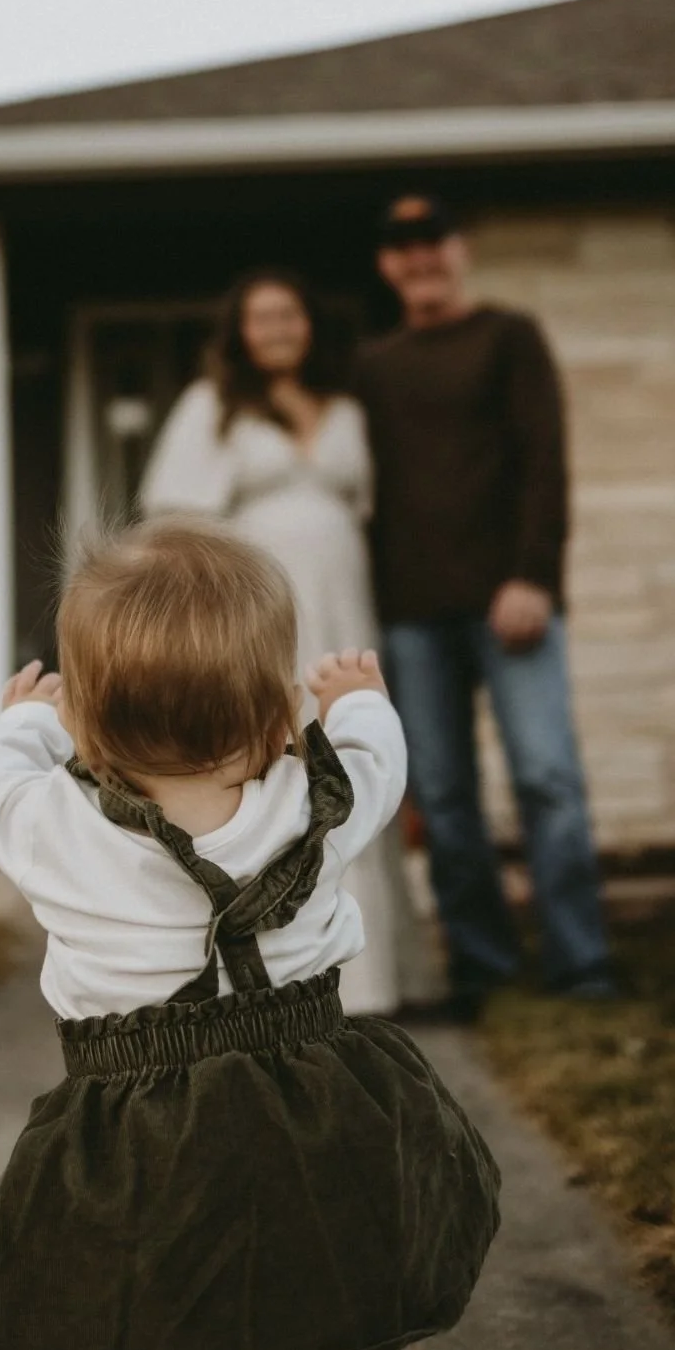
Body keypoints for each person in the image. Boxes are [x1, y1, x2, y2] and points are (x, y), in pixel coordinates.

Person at [0, 519, 501, 1350]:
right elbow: (380, 764)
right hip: (329, 1122)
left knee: (83, 1348)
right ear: (279, 718)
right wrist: (357, 701)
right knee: (370, 1315)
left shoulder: (53, 826)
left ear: (90, 728)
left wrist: (28, 720)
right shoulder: (317, 802)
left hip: (142, 1146)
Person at [138, 269, 443, 1014]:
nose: (278, 329)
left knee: (355, 753)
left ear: (310, 326)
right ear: (240, 330)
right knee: (288, 763)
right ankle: (288, 975)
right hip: (268, 617)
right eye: (262, 317)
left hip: (348, 605)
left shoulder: (344, 406)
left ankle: (377, 978)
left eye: (290, 315)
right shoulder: (212, 407)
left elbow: (372, 507)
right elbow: (172, 518)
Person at [355, 194, 615, 1019]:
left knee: (546, 778)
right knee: (443, 793)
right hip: (411, 614)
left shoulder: (509, 337)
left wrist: (534, 573)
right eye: (403, 246)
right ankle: (482, 966)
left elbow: (546, 459)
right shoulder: (373, 366)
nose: (420, 257)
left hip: (513, 603)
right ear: (386, 265)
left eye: (433, 240)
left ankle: (581, 964)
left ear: (459, 249)